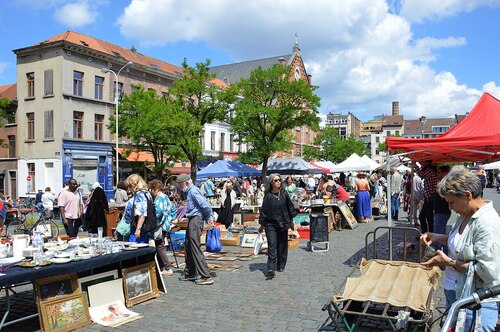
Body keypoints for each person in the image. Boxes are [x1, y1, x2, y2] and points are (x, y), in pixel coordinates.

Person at [420, 166, 500, 331]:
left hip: (476, 302)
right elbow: (461, 242)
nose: (450, 208)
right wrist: (437, 236)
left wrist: (448, 262)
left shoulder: (487, 222)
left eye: (451, 202)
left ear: (467, 196)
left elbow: (486, 272)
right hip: (456, 292)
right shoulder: (465, 214)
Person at [176, 174, 214, 285]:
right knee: (188, 246)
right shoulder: (190, 191)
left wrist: (209, 218)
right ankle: (190, 272)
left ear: (187, 183)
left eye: (180, 185)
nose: (180, 188)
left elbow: (206, 206)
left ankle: (205, 275)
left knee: (195, 247)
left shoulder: (193, 191)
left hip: (196, 220)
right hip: (193, 219)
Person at [258, 174, 297, 280]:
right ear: (271, 182)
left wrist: (292, 221)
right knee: (272, 245)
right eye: (276, 180)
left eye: (280, 180)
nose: (278, 182)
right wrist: (262, 225)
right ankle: (271, 268)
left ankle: (281, 265)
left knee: (282, 245)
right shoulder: (268, 196)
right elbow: (264, 211)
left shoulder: (284, 194)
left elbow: (290, 207)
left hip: (283, 223)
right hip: (270, 225)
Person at [149, 179, 177, 276]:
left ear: (155, 189)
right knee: (159, 245)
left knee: (160, 246)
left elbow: (159, 211)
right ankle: (161, 266)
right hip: (165, 225)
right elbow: (173, 209)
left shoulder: (159, 198)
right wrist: (170, 219)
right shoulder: (166, 197)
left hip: (160, 225)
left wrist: (152, 219)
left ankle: (167, 267)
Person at [121, 174, 153, 244]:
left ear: (135, 185)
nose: (128, 189)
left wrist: (138, 229)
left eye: (130, 186)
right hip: (146, 227)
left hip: (138, 227)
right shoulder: (147, 193)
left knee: (134, 249)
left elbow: (142, 213)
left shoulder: (139, 194)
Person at [416, 160, 438, 234]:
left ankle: (429, 234)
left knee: (428, 217)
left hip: (430, 197)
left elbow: (421, 174)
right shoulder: (431, 170)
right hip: (429, 196)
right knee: (425, 217)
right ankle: (426, 233)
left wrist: (416, 166)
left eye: (422, 162)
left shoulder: (429, 170)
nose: (421, 163)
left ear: (427, 163)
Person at [433, 166, 451, 242]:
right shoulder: (443, 183)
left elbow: (442, 197)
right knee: (441, 234)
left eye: (439, 172)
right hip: (440, 210)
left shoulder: (446, 184)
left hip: (442, 211)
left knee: (438, 235)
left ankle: (439, 251)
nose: (437, 173)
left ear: (445, 173)